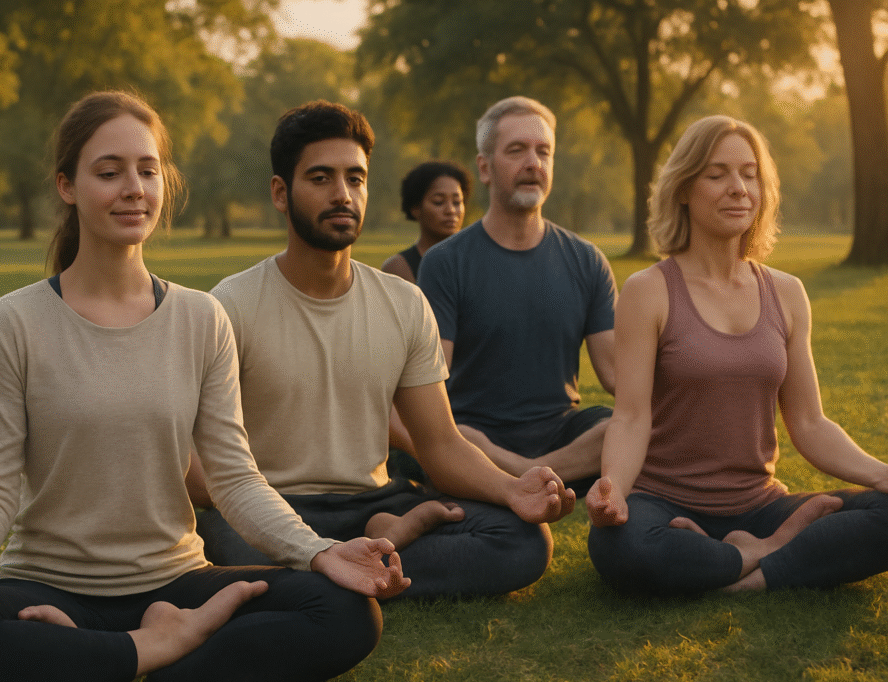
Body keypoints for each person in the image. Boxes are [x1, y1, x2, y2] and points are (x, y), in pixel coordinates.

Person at [0, 91, 408, 682]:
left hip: (176, 584)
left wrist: (319, 551)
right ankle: (157, 653)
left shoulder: (201, 318)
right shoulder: (14, 322)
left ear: (165, 182)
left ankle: (101, 659)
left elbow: (235, 478)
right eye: (108, 173)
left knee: (345, 611)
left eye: (147, 170)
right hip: (49, 586)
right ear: (67, 186)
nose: (133, 188)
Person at [190, 100, 577, 600]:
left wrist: (511, 488)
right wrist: (278, 528)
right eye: (321, 178)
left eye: (355, 178)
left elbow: (439, 444)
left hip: (374, 497)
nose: (342, 195)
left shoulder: (403, 303)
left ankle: (352, 562)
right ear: (281, 193)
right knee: (230, 545)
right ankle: (371, 554)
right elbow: (201, 467)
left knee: (521, 540)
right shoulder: (229, 305)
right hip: (270, 506)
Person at [585, 115, 888, 593]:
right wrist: (614, 491)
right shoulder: (648, 291)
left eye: (750, 174)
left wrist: (881, 473)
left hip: (759, 505)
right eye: (717, 174)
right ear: (684, 189)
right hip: (664, 503)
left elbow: (809, 424)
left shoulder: (787, 293)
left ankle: (741, 569)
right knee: (621, 546)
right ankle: (763, 555)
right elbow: (630, 416)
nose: (738, 188)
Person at [415, 96, 617, 497]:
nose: (533, 162)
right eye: (517, 150)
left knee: (621, 426)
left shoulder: (587, 260)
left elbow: (618, 375)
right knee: (446, 434)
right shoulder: (445, 263)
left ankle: (527, 475)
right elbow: (432, 384)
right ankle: (526, 477)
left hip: (562, 432)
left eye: (544, 151)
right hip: (477, 437)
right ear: (485, 168)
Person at [381, 160, 471, 283]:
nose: (450, 210)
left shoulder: (480, 261)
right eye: (438, 201)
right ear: (416, 208)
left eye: (457, 202)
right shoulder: (398, 268)